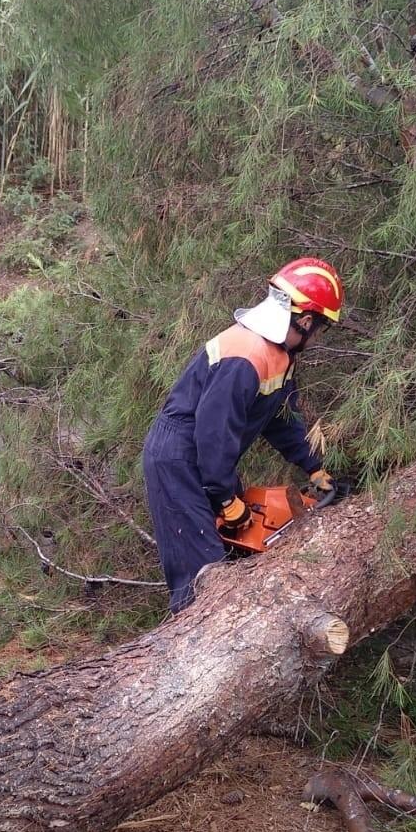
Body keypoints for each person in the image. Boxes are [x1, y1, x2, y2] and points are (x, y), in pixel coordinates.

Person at [143, 257, 343, 612]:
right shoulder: (247, 355)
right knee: (203, 575)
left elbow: (279, 419)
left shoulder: (278, 354)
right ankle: (192, 651)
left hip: (204, 460)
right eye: (319, 329)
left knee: (236, 554)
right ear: (306, 320)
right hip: (178, 458)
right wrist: (224, 498)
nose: (316, 337)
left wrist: (312, 465)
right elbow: (213, 432)